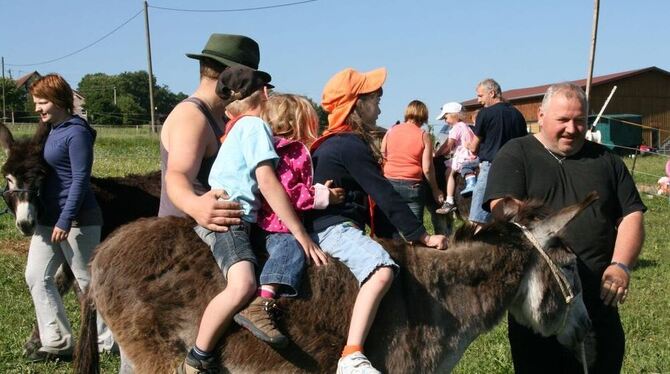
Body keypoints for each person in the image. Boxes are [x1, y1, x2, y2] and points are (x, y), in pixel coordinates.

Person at [484, 83, 646, 373]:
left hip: (598, 301)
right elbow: (501, 206)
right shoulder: (516, 153)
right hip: (539, 309)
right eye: (563, 120)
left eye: (580, 120)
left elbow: (631, 215)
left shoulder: (606, 160)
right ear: (541, 115)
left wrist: (621, 265)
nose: (572, 129)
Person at [177, 67, 328, 373]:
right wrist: (300, 232)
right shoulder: (255, 127)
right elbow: (267, 181)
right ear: (264, 94)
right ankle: (198, 358)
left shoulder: (235, 127)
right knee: (243, 284)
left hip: (246, 218)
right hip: (233, 218)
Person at [306, 67, 448, 374]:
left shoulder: (342, 142)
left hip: (338, 225)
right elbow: (383, 194)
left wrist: (392, 239)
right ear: (357, 104)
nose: (381, 102)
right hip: (333, 228)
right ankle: (352, 355)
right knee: (381, 271)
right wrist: (421, 236)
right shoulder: (349, 145)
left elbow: (374, 204)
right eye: (375, 96)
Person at [25, 74, 114, 362]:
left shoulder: (77, 133)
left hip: (77, 221)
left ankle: (107, 341)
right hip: (48, 219)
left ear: (60, 101)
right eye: (36, 102)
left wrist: (66, 219)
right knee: (37, 276)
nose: (38, 108)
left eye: (43, 102)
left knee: (88, 282)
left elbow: (79, 180)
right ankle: (57, 341)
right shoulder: (52, 129)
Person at [160, 33, 267, 227]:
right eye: (251, 81)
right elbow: (177, 174)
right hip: (185, 237)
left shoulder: (220, 117)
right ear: (232, 76)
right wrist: (194, 206)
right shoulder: (192, 117)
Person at [467, 78, 527, 226]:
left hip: (491, 167)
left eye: (480, 95)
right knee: (513, 218)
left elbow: (474, 147)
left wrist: (469, 145)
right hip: (515, 169)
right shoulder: (517, 115)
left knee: (478, 218)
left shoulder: (484, 114)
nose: (478, 100)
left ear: (492, 93)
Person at [380, 100, 443, 228]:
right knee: (415, 229)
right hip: (412, 185)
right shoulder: (424, 136)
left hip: (389, 182)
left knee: (391, 227)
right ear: (424, 116)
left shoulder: (390, 131)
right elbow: (427, 169)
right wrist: (436, 190)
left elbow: (382, 156)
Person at [434, 102, 479, 214]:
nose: (445, 120)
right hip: (471, 155)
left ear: (454, 115)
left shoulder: (456, 128)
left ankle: (449, 200)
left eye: (446, 117)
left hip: (463, 156)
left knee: (448, 173)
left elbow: (448, 145)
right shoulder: (466, 126)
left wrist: (437, 154)